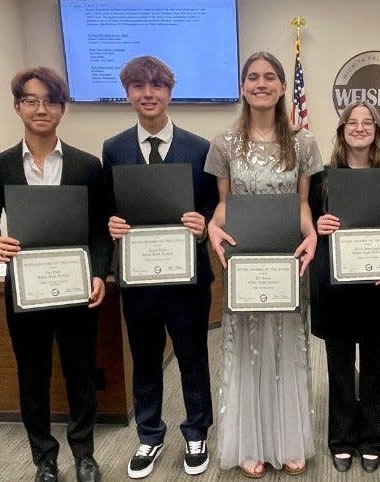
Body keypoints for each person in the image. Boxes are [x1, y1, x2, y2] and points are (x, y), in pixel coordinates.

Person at [0, 67, 112, 482]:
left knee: (79, 373)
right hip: (26, 290)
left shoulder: (88, 166)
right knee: (32, 374)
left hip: (76, 288)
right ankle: (44, 458)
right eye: (31, 101)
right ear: (18, 106)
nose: (41, 109)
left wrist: (99, 273)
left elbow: (99, 229)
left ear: (62, 109)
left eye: (51, 101)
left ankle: (84, 453)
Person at [204, 51, 322, 479]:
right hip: (245, 259)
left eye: (270, 77)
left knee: (286, 344)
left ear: (281, 87)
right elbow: (223, 204)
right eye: (252, 77)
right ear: (242, 86)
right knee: (249, 347)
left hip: (287, 257)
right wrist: (212, 230)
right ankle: (251, 440)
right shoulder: (223, 144)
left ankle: (288, 438)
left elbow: (304, 204)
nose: (261, 83)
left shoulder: (305, 143)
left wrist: (311, 237)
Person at [104, 56, 217, 478]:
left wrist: (204, 223)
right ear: (128, 93)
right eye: (138, 86)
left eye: (156, 85)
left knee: (193, 356)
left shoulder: (199, 147)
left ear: (170, 92)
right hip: (139, 278)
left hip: (187, 278)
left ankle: (196, 431)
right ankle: (149, 435)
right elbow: (110, 207)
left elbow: (211, 205)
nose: (147, 93)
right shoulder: (114, 148)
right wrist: (111, 223)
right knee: (146, 357)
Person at [309, 100, 380, 474]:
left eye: (369, 122)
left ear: (377, 132)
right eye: (353, 121)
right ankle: (342, 439)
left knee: (376, 365)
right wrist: (318, 227)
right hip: (337, 287)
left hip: (378, 286)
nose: (361, 127)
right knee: (340, 366)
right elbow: (308, 230)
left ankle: (373, 439)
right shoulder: (322, 178)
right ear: (342, 130)